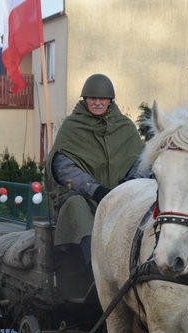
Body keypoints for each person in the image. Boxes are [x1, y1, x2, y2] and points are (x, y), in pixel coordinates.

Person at [44, 73, 147, 253]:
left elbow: (141, 161)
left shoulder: (125, 126)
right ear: (85, 99)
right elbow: (64, 168)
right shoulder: (72, 126)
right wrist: (96, 190)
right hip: (86, 198)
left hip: (121, 198)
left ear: (110, 101)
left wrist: (127, 186)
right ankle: (91, 260)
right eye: (93, 98)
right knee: (76, 205)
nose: (97, 102)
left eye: (102, 98)